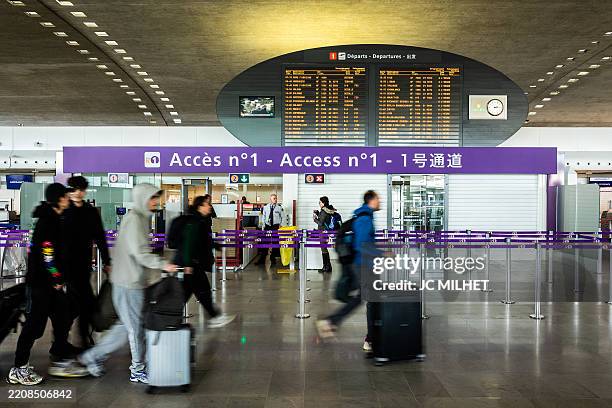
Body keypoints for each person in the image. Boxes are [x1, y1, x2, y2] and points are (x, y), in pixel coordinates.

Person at [73, 184, 177, 383]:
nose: (156, 202)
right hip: (128, 284)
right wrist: (164, 265)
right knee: (135, 329)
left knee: (124, 329)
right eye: (152, 198)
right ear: (142, 198)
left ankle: (91, 357)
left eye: (157, 198)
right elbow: (140, 254)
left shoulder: (141, 218)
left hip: (130, 282)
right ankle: (137, 370)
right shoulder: (135, 220)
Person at [8, 183, 88, 385]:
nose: (70, 198)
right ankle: (19, 368)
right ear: (60, 199)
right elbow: (47, 254)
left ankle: (60, 351)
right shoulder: (48, 222)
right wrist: (56, 278)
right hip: (41, 284)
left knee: (67, 310)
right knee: (34, 327)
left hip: (49, 284)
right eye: (66, 196)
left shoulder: (55, 218)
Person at [316, 190, 380, 342]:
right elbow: (361, 245)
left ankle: (332, 322)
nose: (380, 202)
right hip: (363, 265)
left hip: (362, 264)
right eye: (378, 199)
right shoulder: (365, 219)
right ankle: (370, 339)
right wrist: (384, 254)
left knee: (364, 299)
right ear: (371, 201)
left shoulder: (364, 216)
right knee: (369, 299)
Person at [168, 196, 236, 328]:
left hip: (189, 263)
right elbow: (188, 243)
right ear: (200, 206)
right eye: (206, 204)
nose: (209, 207)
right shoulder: (195, 221)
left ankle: (169, 318)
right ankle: (214, 317)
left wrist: (215, 246)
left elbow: (202, 240)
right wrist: (187, 264)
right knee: (203, 291)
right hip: (190, 264)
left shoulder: (199, 220)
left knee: (186, 293)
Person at [63, 176, 111, 350]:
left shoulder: (89, 212)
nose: (79, 193)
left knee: (77, 303)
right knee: (84, 302)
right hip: (66, 266)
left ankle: (67, 339)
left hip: (83, 265)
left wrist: (107, 261)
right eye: (75, 189)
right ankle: (78, 339)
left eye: (82, 189)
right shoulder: (63, 210)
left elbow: (100, 237)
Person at [255, 193, 285, 265]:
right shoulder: (266, 207)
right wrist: (262, 226)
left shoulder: (279, 208)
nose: (275, 199)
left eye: (276, 198)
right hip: (267, 226)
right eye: (274, 198)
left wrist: (281, 225)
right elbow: (263, 217)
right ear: (270, 199)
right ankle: (262, 259)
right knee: (265, 242)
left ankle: (273, 258)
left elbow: (283, 217)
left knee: (275, 242)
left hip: (275, 226)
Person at [313, 196, 339, 274]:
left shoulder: (324, 211)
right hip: (327, 232)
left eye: (320, 202)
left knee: (323, 249)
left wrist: (315, 219)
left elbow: (320, 223)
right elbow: (324, 219)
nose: (319, 203)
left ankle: (326, 267)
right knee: (324, 248)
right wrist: (318, 213)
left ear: (323, 203)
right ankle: (328, 267)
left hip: (323, 232)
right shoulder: (328, 210)